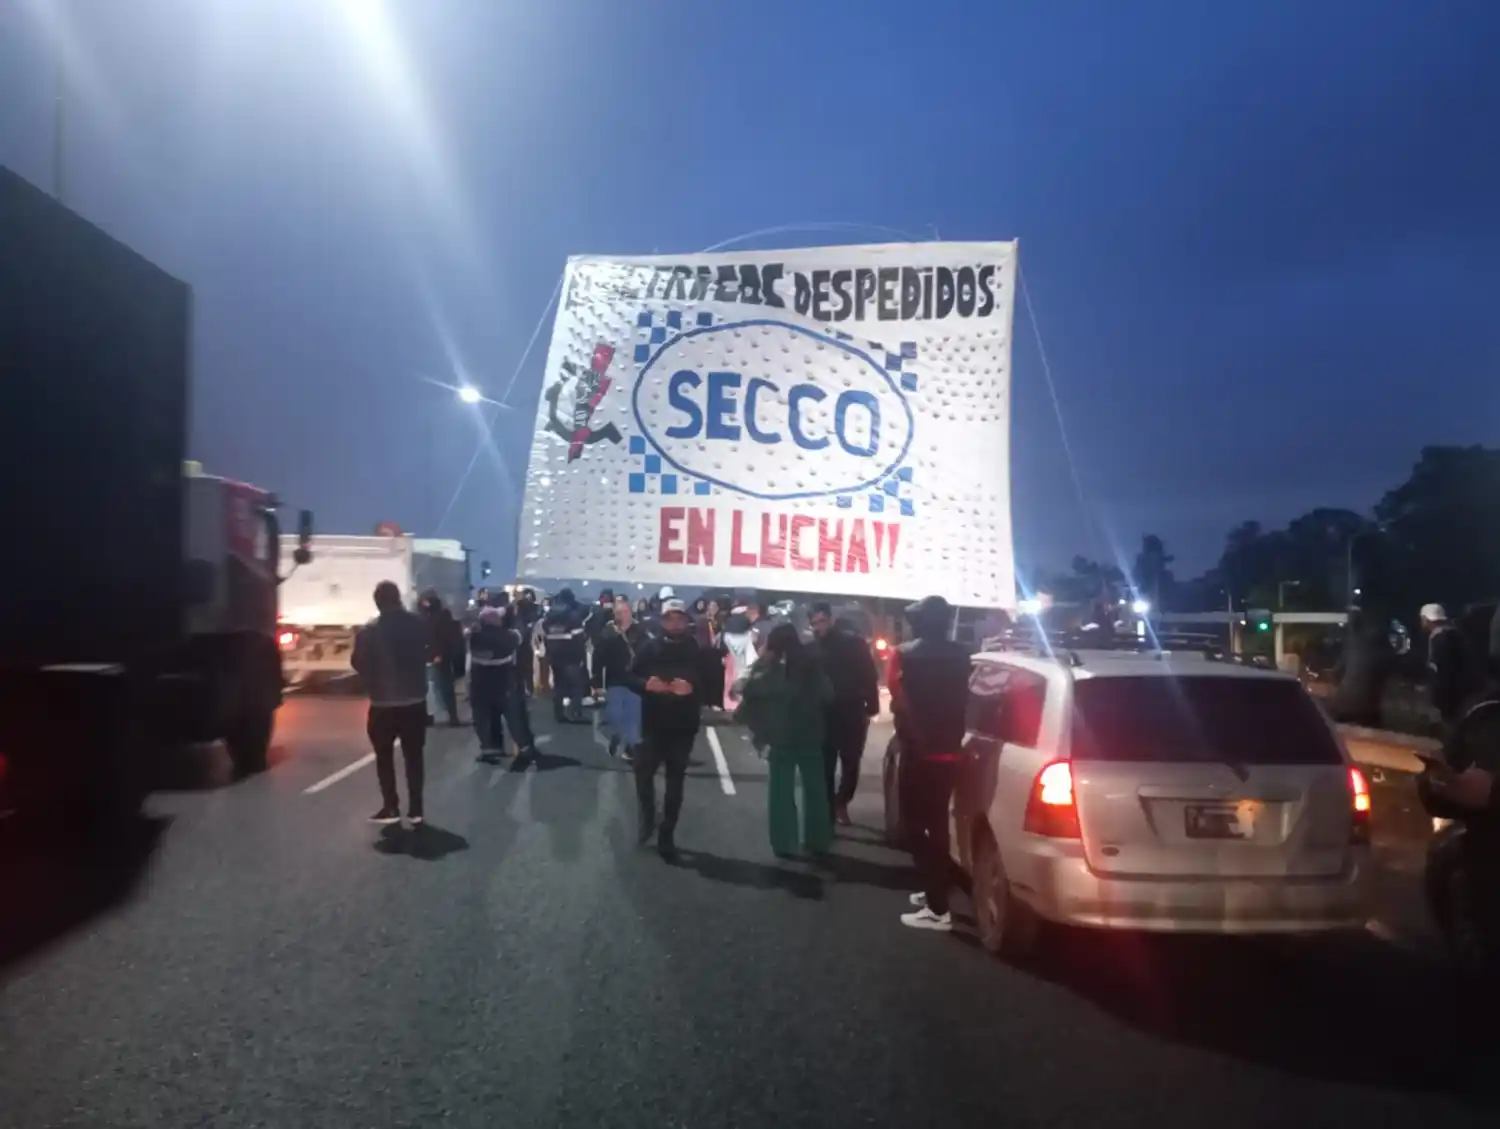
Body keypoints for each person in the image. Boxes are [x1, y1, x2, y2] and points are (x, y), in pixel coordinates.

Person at [887, 595, 972, 932]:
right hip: (951, 748)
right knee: (937, 823)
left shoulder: (904, 654)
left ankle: (938, 909)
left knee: (917, 827)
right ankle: (933, 889)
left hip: (917, 750)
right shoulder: (964, 654)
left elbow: (898, 697)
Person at [736, 623, 835, 858]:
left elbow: (749, 690)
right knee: (816, 790)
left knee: (781, 790)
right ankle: (818, 839)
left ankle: (784, 842)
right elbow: (829, 695)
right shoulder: (813, 667)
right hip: (811, 735)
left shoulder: (771, 672)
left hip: (781, 737)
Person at [624, 598, 701, 859]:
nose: (675, 622)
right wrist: (646, 684)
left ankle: (667, 834)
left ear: (686, 620)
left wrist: (692, 688)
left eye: (680, 617)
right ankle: (647, 818)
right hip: (651, 724)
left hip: (683, 726)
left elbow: (713, 684)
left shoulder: (697, 649)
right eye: (670, 618)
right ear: (662, 620)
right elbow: (628, 676)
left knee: (675, 782)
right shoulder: (650, 647)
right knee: (642, 775)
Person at [351, 580, 430, 825]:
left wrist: (372, 680)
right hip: (414, 701)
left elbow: (358, 662)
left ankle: (391, 806)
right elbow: (430, 651)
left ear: (377, 602)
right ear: (398, 599)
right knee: (414, 756)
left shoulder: (368, 631)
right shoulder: (418, 625)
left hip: (383, 704)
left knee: (384, 757)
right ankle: (416, 809)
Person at [810, 602, 882, 826]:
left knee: (850, 763)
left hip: (850, 711)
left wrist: (872, 706)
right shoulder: (812, 648)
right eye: (814, 623)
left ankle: (839, 803)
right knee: (826, 765)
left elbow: (869, 676)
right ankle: (832, 807)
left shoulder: (853, 645)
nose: (818, 627)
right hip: (825, 714)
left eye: (821, 621)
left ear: (830, 619)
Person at [469, 603, 537, 762]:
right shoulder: (507, 637)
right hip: (504, 685)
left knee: (484, 718)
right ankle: (525, 748)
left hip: (479, 686)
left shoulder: (474, 637)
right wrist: (515, 617)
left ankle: (489, 748)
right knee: (515, 718)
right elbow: (521, 635)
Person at [593, 596, 648, 761]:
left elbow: (649, 652)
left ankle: (630, 749)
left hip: (635, 681)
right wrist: (596, 683)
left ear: (630, 613)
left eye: (625, 612)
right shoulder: (608, 632)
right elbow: (598, 657)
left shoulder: (640, 631)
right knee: (615, 714)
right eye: (618, 612)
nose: (622, 615)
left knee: (633, 717)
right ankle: (617, 735)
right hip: (615, 680)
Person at [1328, 608, 1396, 729]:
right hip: (1368, 708)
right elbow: (1387, 675)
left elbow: (1336, 673)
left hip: (1344, 706)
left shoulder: (1353, 644)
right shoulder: (1381, 647)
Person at [1421, 603, 1484, 729]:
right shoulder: (1455, 634)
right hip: (1464, 690)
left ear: (1427, 620)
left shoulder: (1440, 638)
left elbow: (1440, 670)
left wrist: (1437, 698)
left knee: (1451, 725)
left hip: (1450, 693)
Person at [542, 588, 590, 723]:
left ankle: (559, 714)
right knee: (576, 686)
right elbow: (578, 639)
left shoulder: (549, 616)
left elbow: (546, 637)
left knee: (559, 686)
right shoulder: (573, 616)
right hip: (571, 657)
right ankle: (576, 714)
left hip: (555, 656)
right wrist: (580, 658)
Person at [419, 591, 463, 726]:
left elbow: (446, 637)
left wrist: (441, 654)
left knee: (443, 687)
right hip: (428, 656)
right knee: (430, 689)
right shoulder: (424, 616)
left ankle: (452, 716)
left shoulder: (440, 615)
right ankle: (431, 717)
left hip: (439, 657)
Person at [719, 606, 759, 714]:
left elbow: (721, 646)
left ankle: (730, 704)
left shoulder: (726, 631)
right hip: (743, 661)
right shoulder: (748, 631)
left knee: (729, 681)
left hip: (730, 662)